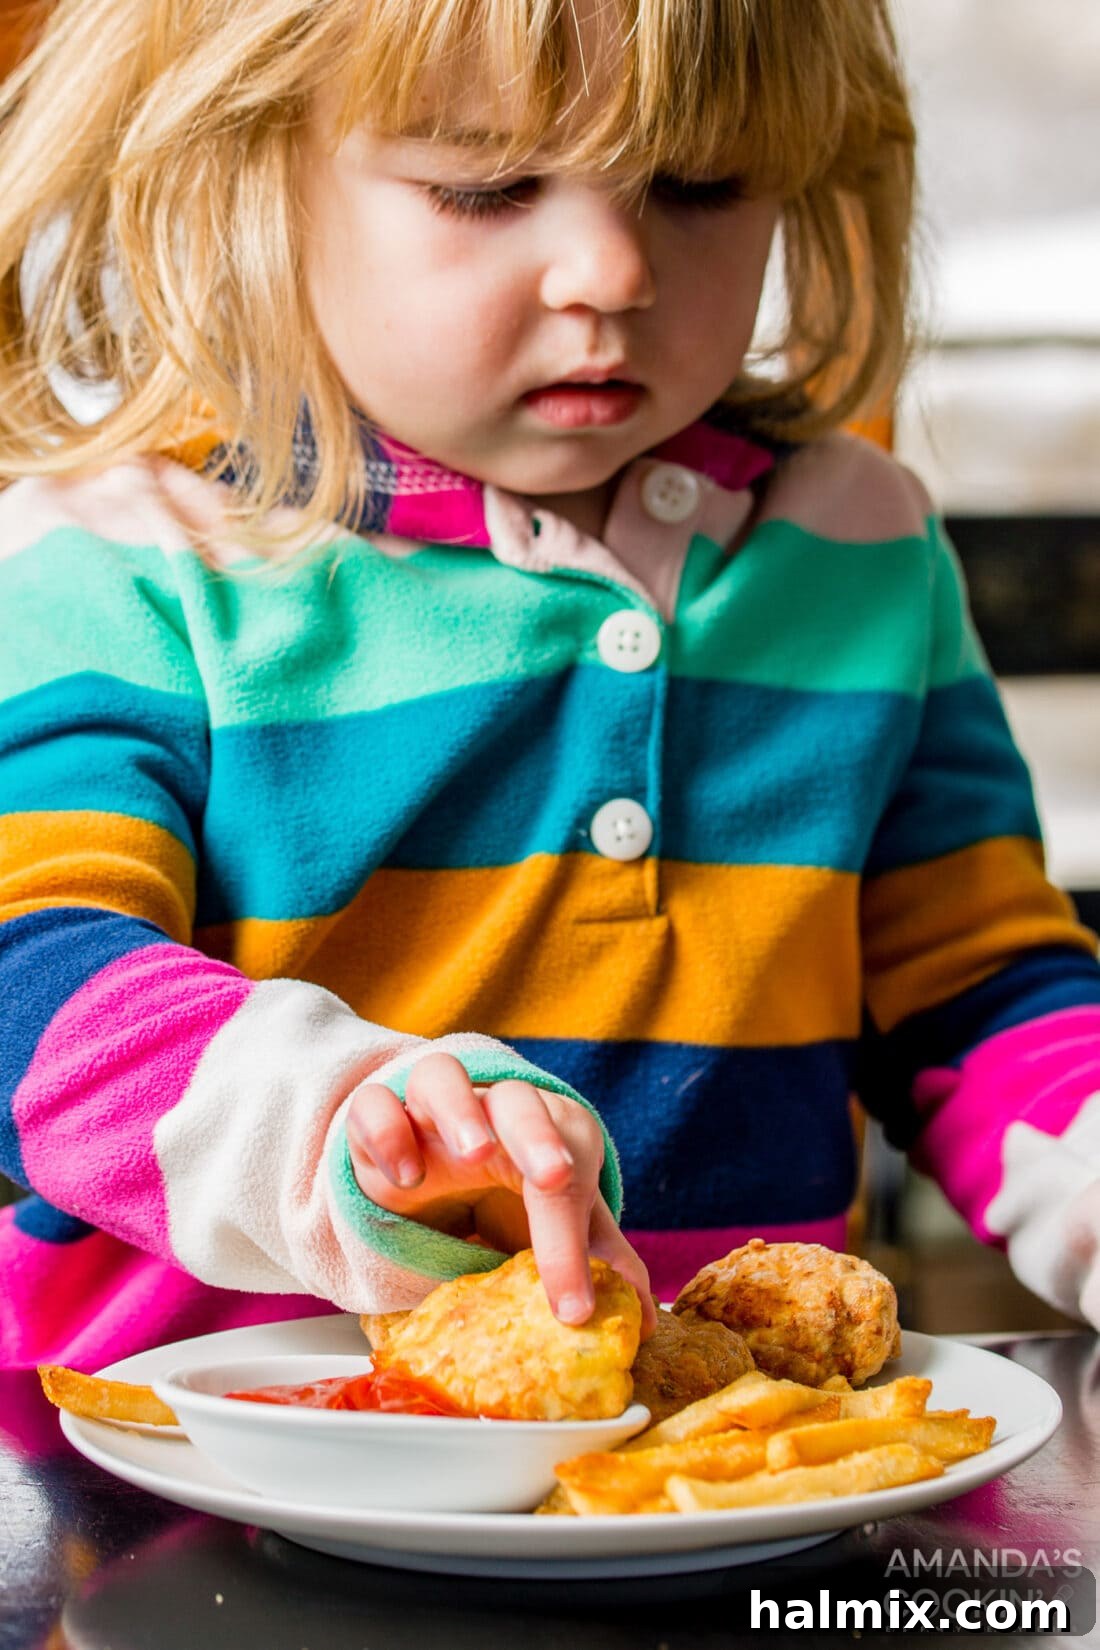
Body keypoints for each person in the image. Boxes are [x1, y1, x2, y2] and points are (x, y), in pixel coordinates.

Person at [1, 0, 1098, 1373]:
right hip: (162, 1482)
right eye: (486, 184)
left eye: (699, 184)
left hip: (729, 1466)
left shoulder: (862, 547)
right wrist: (365, 1121)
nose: (611, 269)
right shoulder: (121, 561)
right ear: (253, 169)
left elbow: (985, 989)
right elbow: (33, 976)